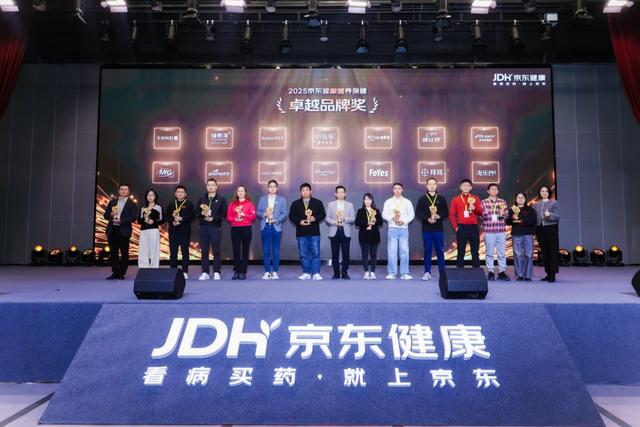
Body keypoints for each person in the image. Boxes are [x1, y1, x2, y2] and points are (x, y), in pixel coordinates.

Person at [288, 183, 326, 281]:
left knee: (315, 254)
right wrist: (299, 221)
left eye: (307, 190)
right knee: (303, 254)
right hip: (301, 232)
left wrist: (314, 218)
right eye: (303, 190)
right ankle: (306, 272)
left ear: (311, 191)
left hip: (314, 232)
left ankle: (316, 273)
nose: (305, 192)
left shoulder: (317, 202)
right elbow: (291, 216)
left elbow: (323, 214)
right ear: (300, 192)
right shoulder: (295, 203)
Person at [415, 177, 449, 281]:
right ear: (426, 186)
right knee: (427, 250)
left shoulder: (441, 198)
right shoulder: (422, 199)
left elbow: (446, 213)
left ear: (437, 186)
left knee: (440, 251)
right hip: (427, 228)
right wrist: (427, 219)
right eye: (430, 184)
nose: (432, 186)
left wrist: (439, 216)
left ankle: (442, 272)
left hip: (438, 229)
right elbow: (418, 213)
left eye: (434, 184)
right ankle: (427, 272)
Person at [103, 183, 138, 280]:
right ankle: (115, 272)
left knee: (124, 253)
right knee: (113, 253)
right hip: (112, 230)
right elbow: (105, 215)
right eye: (122, 189)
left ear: (128, 191)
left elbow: (133, 218)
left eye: (126, 189)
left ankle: (122, 273)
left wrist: (121, 221)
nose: (123, 191)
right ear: (118, 191)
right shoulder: (112, 202)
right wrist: (111, 214)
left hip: (124, 231)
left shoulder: (132, 204)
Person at [382, 182, 415, 280]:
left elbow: (411, 215)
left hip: (403, 228)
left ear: (402, 190)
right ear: (393, 190)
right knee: (392, 251)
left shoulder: (407, 202)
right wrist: (392, 218)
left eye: (399, 188)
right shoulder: (388, 202)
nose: (397, 190)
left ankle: (404, 273)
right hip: (392, 228)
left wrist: (403, 221)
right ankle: (392, 272)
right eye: (395, 188)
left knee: (404, 251)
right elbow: (384, 214)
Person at [256, 180, 288, 280]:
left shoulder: (282, 199)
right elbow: (258, 212)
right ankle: (266, 272)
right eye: (270, 186)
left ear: (277, 188)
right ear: (267, 188)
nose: (272, 188)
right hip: (265, 226)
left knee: (276, 251)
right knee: (266, 250)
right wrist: (264, 215)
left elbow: (284, 213)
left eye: (274, 186)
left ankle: (275, 272)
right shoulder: (262, 199)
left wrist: (276, 220)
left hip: (276, 227)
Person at [196, 178, 227, 281]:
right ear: (206, 187)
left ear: (216, 187)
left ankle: (217, 271)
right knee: (204, 250)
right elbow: (197, 212)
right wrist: (202, 213)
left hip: (215, 227)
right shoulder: (202, 198)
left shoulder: (221, 199)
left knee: (216, 250)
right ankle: (205, 272)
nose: (210, 187)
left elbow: (224, 214)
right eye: (209, 185)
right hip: (203, 227)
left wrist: (214, 218)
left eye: (213, 185)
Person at [449, 179, 483, 268]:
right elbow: (452, 215)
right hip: (462, 227)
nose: (466, 187)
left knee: (475, 251)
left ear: (471, 187)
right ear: (460, 187)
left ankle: (476, 271)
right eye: (464, 185)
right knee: (461, 251)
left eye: (468, 185)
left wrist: (474, 208)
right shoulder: (455, 199)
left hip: (473, 227)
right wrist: (456, 227)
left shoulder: (475, 198)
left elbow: (480, 212)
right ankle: (460, 270)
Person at [480, 183, 511, 281]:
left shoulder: (503, 202)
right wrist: (485, 214)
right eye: (492, 189)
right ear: (488, 191)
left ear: (498, 191)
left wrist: (502, 214)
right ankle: (491, 271)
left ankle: (502, 272)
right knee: (489, 253)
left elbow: (507, 216)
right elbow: (481, 217)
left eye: (495, 189)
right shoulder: (483, 202)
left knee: (501, 253)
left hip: (501, 231)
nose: (494, 191)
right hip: (489, 231)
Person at [226, 185, 256, 280]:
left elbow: (253, 217)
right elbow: (228, 217)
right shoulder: (232, 204)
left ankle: (243, 271)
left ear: (245, 193)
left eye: (242, 191)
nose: (240, 192)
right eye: (239, 191)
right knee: (236, 250)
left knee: (245, 250)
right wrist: (235, 219)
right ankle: (236, 271)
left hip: (246, 228)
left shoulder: (249, 204)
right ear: (237, 193)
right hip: (235, 229)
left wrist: (244, 214)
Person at [325, 185, 356, 280]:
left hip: (345, 231)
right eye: (338, 192)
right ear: (335, 194)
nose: (340, 194)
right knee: (335, 254)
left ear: (345, 194)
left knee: (346, 254)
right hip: (334, 231)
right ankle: (336, 273)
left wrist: (345, 218)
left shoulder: (350, 205)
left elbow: (353, 218)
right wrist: (334, 222)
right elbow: (327, 218)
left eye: (342, 192)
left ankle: (344, 272)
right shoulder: (330, 204)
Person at [166, 185, 195, 280]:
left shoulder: (189, 204)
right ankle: (173, 271)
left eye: (182, 192)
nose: (180, 194)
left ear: (185, 194)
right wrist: (172, 221)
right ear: (175, 194)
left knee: (185, 251)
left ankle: (185, 271)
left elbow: (192, 216)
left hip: (184, 231)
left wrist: (182, 218)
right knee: (173, 252)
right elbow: (167, 216)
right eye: (178, 192)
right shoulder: (171, 204)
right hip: (173, 231)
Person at [506, 192, 537, 281]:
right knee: (517, 255)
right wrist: (512, 218)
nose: (520, 199)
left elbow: (533, 221)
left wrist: (521, 220)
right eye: (518, 197)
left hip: (528, 234)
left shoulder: (530, 209)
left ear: (525, 199)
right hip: (516, 234)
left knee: (529, 254)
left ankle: (528, 275)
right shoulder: (512, 209)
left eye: (522, 197)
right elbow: (508, 222)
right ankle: (519, 275)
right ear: (516, 199)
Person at [534, 185, 560, 282]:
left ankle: (552, 274)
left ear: (549, 192)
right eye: (542, 191)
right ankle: (548, 273)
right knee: (544, 252)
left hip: (551, 228)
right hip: (539, 229)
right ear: (539, 193)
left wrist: (550, 215)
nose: (544, 193)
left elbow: (557, 216)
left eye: (546, 191)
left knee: (552, 251)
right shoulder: (536, 204)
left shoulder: (554, 202)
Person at [354, 193, 382, 280]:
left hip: (374, 235)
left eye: (369, 199)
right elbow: (357, 223)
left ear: (372, 201)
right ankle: (366, 272)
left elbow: (380, 222)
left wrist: (375, 220)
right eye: (365, 199)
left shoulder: (376, 211)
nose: (367, 201)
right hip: (364, 235)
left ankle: (373, 272)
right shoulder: (360, 211)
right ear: (363, 201)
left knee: (373, 254)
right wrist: (367, 222)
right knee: (365, 254)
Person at [137, 189, 163, 269]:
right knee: (143, 250)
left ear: (155, 197)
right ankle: (143, 268)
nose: (150, 197)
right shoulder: (143, 208)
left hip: (154, 230)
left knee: (154, 250)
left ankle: (154, 268)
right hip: (144, 231)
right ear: (146, 197)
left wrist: (154, 221)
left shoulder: (158, 207)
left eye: (152, 195)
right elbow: (139, 221)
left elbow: (162, 220)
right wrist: (144, 219)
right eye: (148, 195)